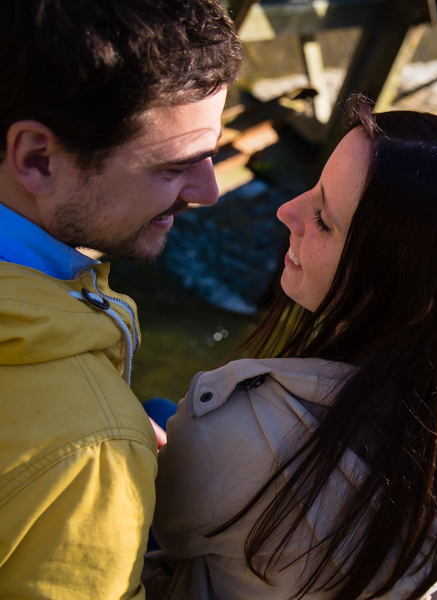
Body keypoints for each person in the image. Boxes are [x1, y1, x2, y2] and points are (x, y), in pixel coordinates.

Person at [146, 100, 437, 600]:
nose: (286, 211)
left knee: (150, 417)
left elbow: (164, 535)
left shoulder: (239, 431)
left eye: (323, 219)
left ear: (410, 294)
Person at [0, 1, 241, 597]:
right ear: (36, 158)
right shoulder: (92, 454)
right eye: (176, 164)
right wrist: (111, 442)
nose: (210, 190)